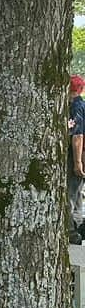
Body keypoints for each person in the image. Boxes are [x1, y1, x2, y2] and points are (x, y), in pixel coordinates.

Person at [67, 74, 85, 242]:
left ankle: (72, 230)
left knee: (72, 191)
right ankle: (75, 228)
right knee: (76, 191)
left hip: (77, 154)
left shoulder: (74, 107)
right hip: (78, 154)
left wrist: (77, 162)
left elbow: (77, 136)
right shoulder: (79, 105)